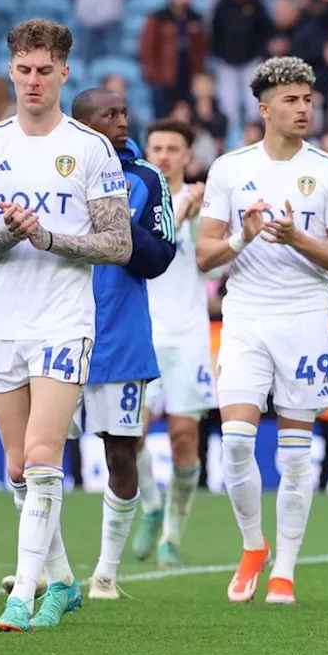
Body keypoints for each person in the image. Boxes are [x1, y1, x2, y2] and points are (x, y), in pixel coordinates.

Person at [0, 19, 134, 632]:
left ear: (64, 72)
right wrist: (11, 230)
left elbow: (117, 243)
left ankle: (23, 595)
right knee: (15, 467)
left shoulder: (90, 147)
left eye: (45, 70)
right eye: (24, 69)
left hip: (64, 321)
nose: (33, 80)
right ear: (11, 70)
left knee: (40, 456)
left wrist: (46, 234)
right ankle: (61, 579)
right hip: (4, 324)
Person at [195, 56, 328, 605]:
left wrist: (296, 240)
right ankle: (252, 546)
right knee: (236, 442)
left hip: (306, 317)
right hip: (244, 315)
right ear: (264, 108)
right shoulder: (229, 169)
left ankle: (285, 569)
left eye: (308, 100)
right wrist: (246, 238)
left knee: (293, 455)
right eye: (291, 100)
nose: (303, 108)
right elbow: (203, 257)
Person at [65, 89, 177, 603]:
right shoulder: (54, 172)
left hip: (120, 336)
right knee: (37, 457)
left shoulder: (148, 180)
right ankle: (46, 569)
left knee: (121, 455)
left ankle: (106, 574)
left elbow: (157, 259)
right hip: (59, 329)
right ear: (82, 125)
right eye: (109, 115)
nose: (122, 122)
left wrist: (116, 219)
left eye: (124, 113)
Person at [131, 118, 221, 569]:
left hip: (188, 337)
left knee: (186, 439)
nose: (163, 155)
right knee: (132, 434)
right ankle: (148, 504)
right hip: (142, 333)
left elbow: (217, 270)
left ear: (188, 156)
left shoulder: (208, 207)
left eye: (173, 148)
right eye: (156, 147)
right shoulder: (138, 200)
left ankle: (171, 535)